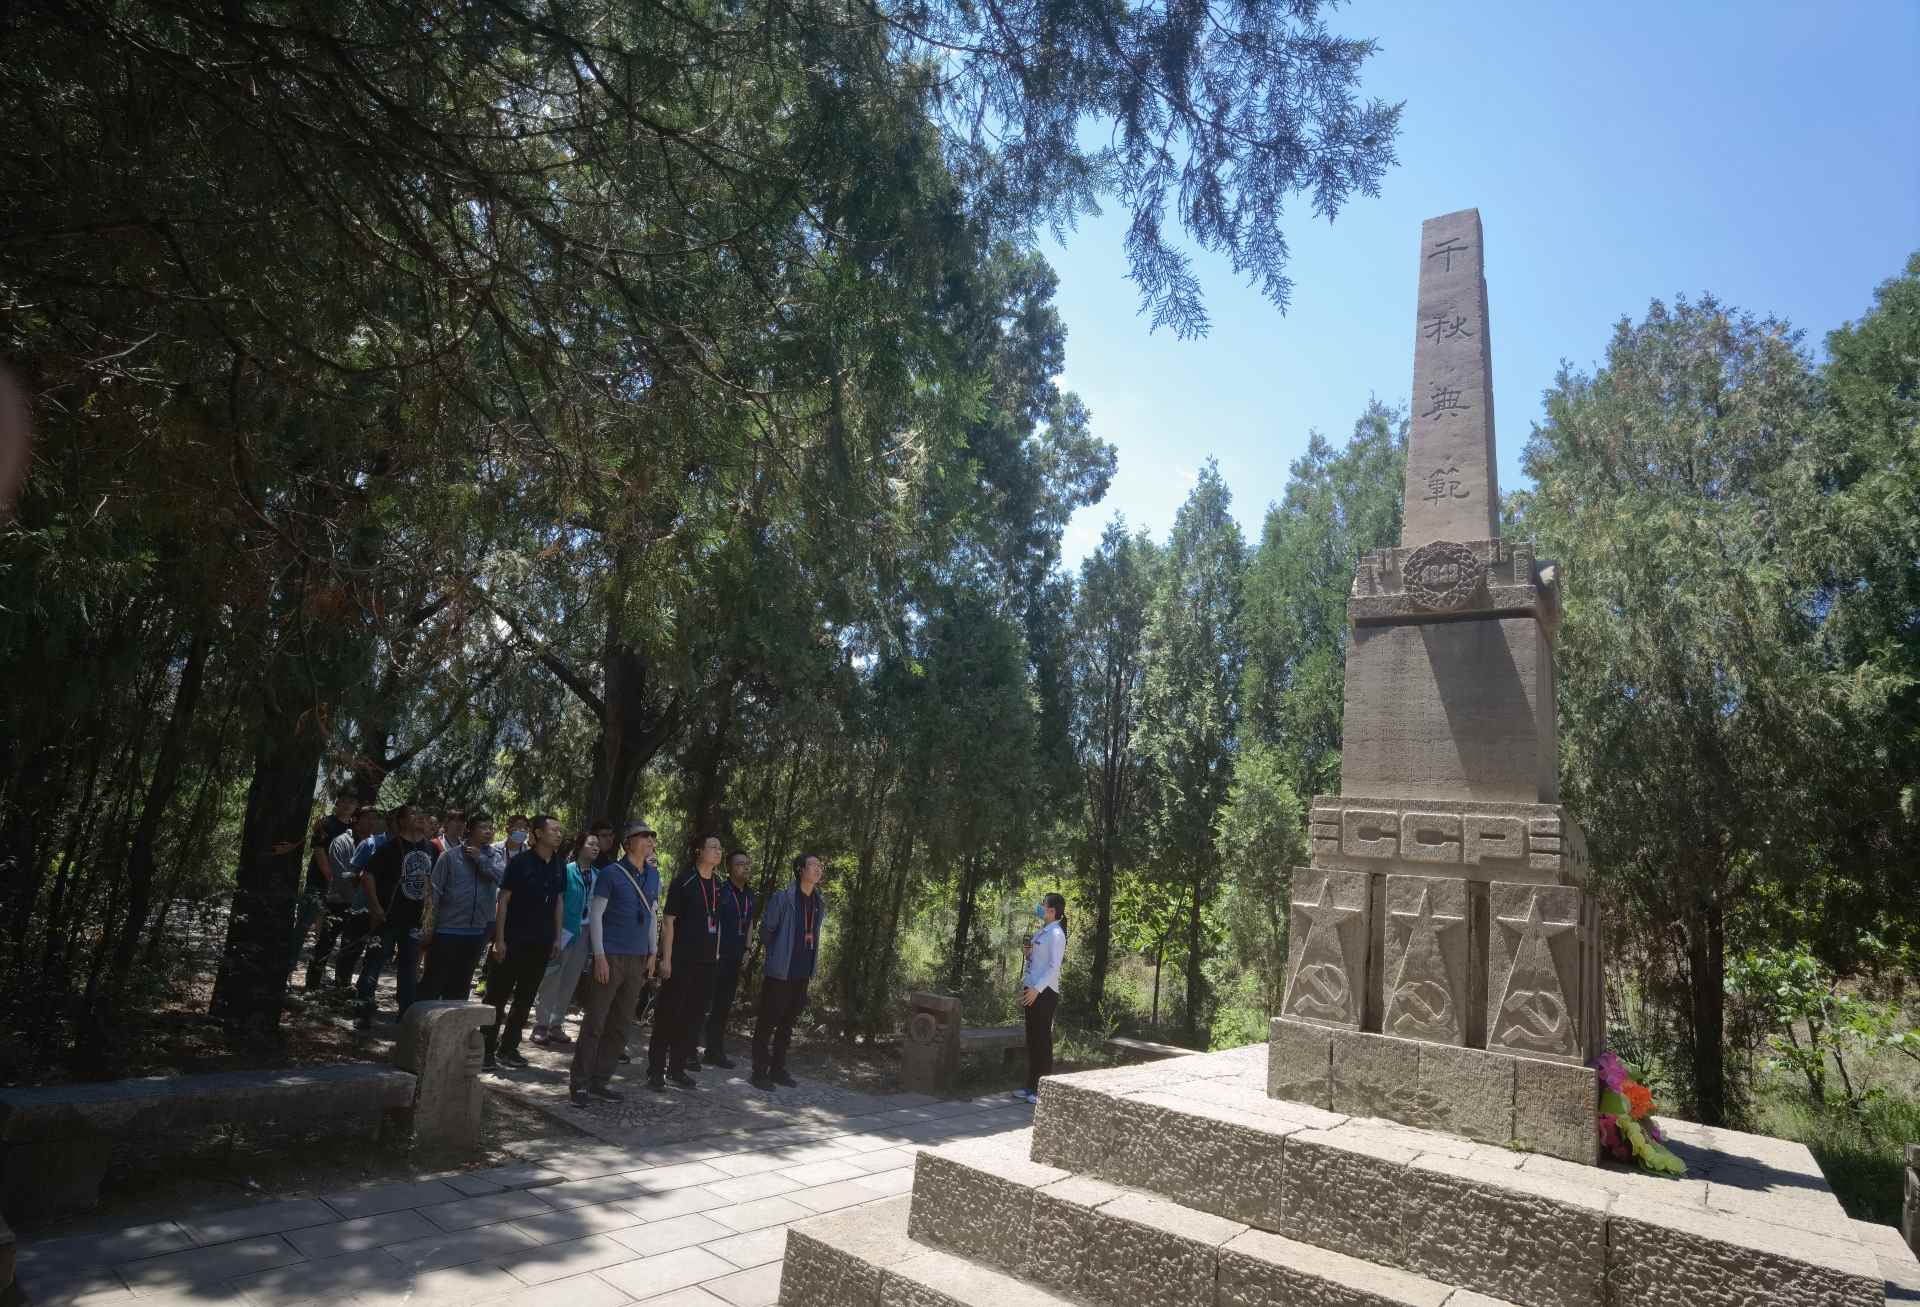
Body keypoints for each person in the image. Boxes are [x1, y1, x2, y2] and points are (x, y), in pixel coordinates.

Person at [570, 821, 660, 1106]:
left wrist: (653, 952)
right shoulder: (611, 873)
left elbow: (652, 915)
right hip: (610, 956)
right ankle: (580, 1084)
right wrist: (599, 956)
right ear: (628, 843)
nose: (649, 840)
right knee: (595, 1022)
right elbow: (596, 915)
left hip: (638, 959)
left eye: (652, 837)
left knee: (621, 1024)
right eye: (643, 836)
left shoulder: (654, 875)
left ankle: (600, 1081)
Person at [487, 814, 567, 1068]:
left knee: (525, 998)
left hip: (541, 943)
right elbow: (503, 900)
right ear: (538, 833)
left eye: (560, 830)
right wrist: (499, 939)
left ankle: (508, 1048)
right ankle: (485, 1049)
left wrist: (557, 938)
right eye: (553, 830)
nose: (558, 834)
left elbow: (558, 902)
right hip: (513, 940)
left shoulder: (559, 865)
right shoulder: (520, 862)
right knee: (497, 996)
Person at [648, 834, 725, 1091]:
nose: (718, 851)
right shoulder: (684, 881)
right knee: (669, 1015)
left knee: (692, 1018)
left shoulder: (719, 885)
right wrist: (666, 959)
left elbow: (718, 922)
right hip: (681, 960)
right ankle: (655, 1070)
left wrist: (716, 954)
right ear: (698, 851)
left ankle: (677, 1068)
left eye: (720, 848)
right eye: (712, 847)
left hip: (707, 963)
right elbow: (669, 922)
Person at [354, 804, 435, 1028]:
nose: (419, 817)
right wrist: (375, 906)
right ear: (401, 821)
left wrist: (430, 918)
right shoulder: (389, 847)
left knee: (409, 969)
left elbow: (433, 885)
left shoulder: (431, 849)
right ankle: (363, 1010)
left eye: (421, 814)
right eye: (413, 814)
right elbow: (367, 876)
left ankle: (406, 1017)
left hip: (415, 920)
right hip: (388, 918)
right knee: (374, 963)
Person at [751, 853, 826, 1091]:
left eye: (820, 865)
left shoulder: (819, 902)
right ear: (800, 870)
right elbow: (767, 931)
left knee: (787, 1023)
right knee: (768, 1021)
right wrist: (776, 954)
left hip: (802, 972)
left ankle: (778, 1068)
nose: (818, 869)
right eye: (813, 865)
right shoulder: (783, 898)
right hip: (780, 972)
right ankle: (759, 1071)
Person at [418, 811, 501, 1001]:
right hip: (448, 929)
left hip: (477, 931)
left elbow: (503, 879)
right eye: (483, 827)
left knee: (461, 984)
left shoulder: (495, 857)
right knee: (433, 981)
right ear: (469, 830)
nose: (488, 831)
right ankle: (419, 1017)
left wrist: (481, 860)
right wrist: (428, 926)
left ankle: (454, 1019)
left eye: (491, 827)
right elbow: (434, 893)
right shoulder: (449, 856)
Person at [532, 832, 597, 1046]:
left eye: (597, 845)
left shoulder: (598, 875)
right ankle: (541, 1025)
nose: (596, 847)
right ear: (580, 846)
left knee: (570, 981)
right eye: (591, 843)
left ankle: (556, 1024)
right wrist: (555, 935)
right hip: (564, 931)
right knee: (552, 979)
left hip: (584, 934)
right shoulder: (566, 870)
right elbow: (556, 902)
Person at [309, 803, 374, 989]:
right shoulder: (341, 842)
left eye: (374, 819)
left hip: (360, 907)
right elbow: (340, 876)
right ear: (356, 820)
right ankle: (312, 986)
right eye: (368, 818)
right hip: (338, 902)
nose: (372, 822)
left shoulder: (373, 845)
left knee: (350, 950)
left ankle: (341, 989)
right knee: (325, 945)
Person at [702, 849, 755, 1069]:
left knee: (723, 1007)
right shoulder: (721, 891)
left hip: (736, 957)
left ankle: (714, 1051)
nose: (745, 867)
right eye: (740, 864)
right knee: (704, 1004)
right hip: (716, 957)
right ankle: (686, 1049)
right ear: (730, 868)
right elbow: (713, 922)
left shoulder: (750, 894)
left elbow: (750, 922)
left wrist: (748, 949)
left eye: (747, 863)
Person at [296, 793, 356, 983]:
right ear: (337, 803)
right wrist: (332, 878)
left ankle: (317, 976)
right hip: (318, 885)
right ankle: (285, 973)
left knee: (326, 935)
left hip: (340, 891)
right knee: (302, 929)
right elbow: (319, 851)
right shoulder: (326, 823)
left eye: (351, 802)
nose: (347, 805)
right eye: (344, 801)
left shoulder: (354, 828)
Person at [1017, 893, 1068, 1105]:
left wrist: (1037, 989)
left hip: (1044, 993)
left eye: (1043, 905)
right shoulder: (1043, 931)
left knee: (1042, 1040)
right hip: (1032, 989)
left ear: (1052, 911)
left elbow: (1054, 967)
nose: (1039, 907)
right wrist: (1028, 954)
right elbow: (1038, 962)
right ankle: (1030, 1085)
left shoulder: (1056, 934)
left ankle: (1043, 1090)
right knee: (1032, 1039)